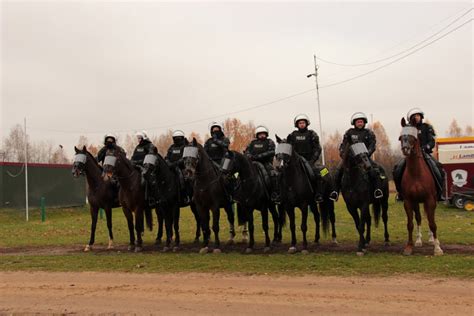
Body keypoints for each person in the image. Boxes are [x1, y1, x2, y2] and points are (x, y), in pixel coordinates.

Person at [393, 108, 445, 200]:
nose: (416, 117)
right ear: (411, 119)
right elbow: (405, 140)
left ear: (421, 117)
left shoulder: (427, 127)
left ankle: (440, 192)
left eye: (418, 115)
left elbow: (432, 141)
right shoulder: (407, 129)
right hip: (410, 155)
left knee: (438, 168)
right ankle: (400, 193)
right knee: (397, 169)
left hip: (425, 154)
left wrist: (425, 148)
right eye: (414, 116)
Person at [330, 112, 384, 201]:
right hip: (350, 158)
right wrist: (342, 153)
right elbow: (343, 145)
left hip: (364, 157)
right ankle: (335, 192)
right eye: (358, 122)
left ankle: (377, 190)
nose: (360, 123)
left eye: (361, 122)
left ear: (364, 123)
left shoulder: (369, 133)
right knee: (337, 172)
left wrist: (367, 153)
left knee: (375, 171)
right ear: (354, 123)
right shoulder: (349, 132)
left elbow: (372, 145)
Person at [286, 114, 324, 203]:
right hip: (296, 163)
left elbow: (318, 148)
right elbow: (288, 148)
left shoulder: (312, 134)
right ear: (297, 125)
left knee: (323, 173)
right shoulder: (292, 135)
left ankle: (319, 194)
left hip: (310, 161)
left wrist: (312, 161)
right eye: (300, 123)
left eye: (303, 122)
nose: (302, 124)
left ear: (307, 124)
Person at [244, 125, 280, 203]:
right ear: (257, 135)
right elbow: (246, 151)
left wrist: (259, 156)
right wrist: (250, 156)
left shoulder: (270, 141)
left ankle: (275, 193)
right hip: (253, 163)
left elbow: (272, 151)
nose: (262, 135)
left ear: (266, 134)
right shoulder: (252, 142)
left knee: (273, 175)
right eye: (260, 134)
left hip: (266, 163)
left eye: (263, 134)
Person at [131, 131, 159, 205]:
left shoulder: (150, 146)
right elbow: (133, 157)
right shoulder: (137, 147)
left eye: (140, 138)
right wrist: (132, 162)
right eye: (138, 138)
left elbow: (150, 157)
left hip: (146, 167)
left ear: (144, 138)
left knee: (146, 180)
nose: (138, 139)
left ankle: (152, 198)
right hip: (136, 167)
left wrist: (140, 162)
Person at [165, 130, 191, 204]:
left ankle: (187, 196)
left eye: (179, 138)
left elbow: (186, 157)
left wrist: (176, 163)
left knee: (185, 179)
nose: (177, 139)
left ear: (182, 138)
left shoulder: (185, 146)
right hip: (171, 168)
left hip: (183, 168)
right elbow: (167, 157)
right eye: (175, 138)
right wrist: (168, 163)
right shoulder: (172, 147)